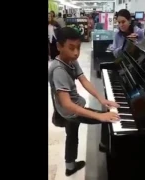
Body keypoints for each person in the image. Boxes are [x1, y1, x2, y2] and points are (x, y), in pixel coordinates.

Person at [48, 27, 120, 176]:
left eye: (78, 48)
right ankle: (104, 146)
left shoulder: (71, 60)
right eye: (71, 48)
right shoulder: (59, 70)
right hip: (71, 111)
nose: (76, 52)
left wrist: (102, 99)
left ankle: (70, 165)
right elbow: (68, 104)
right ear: (59, 47)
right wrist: (100, 116)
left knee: (72, 134)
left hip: (69, 110)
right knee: (108, 119)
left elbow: (84, 80)